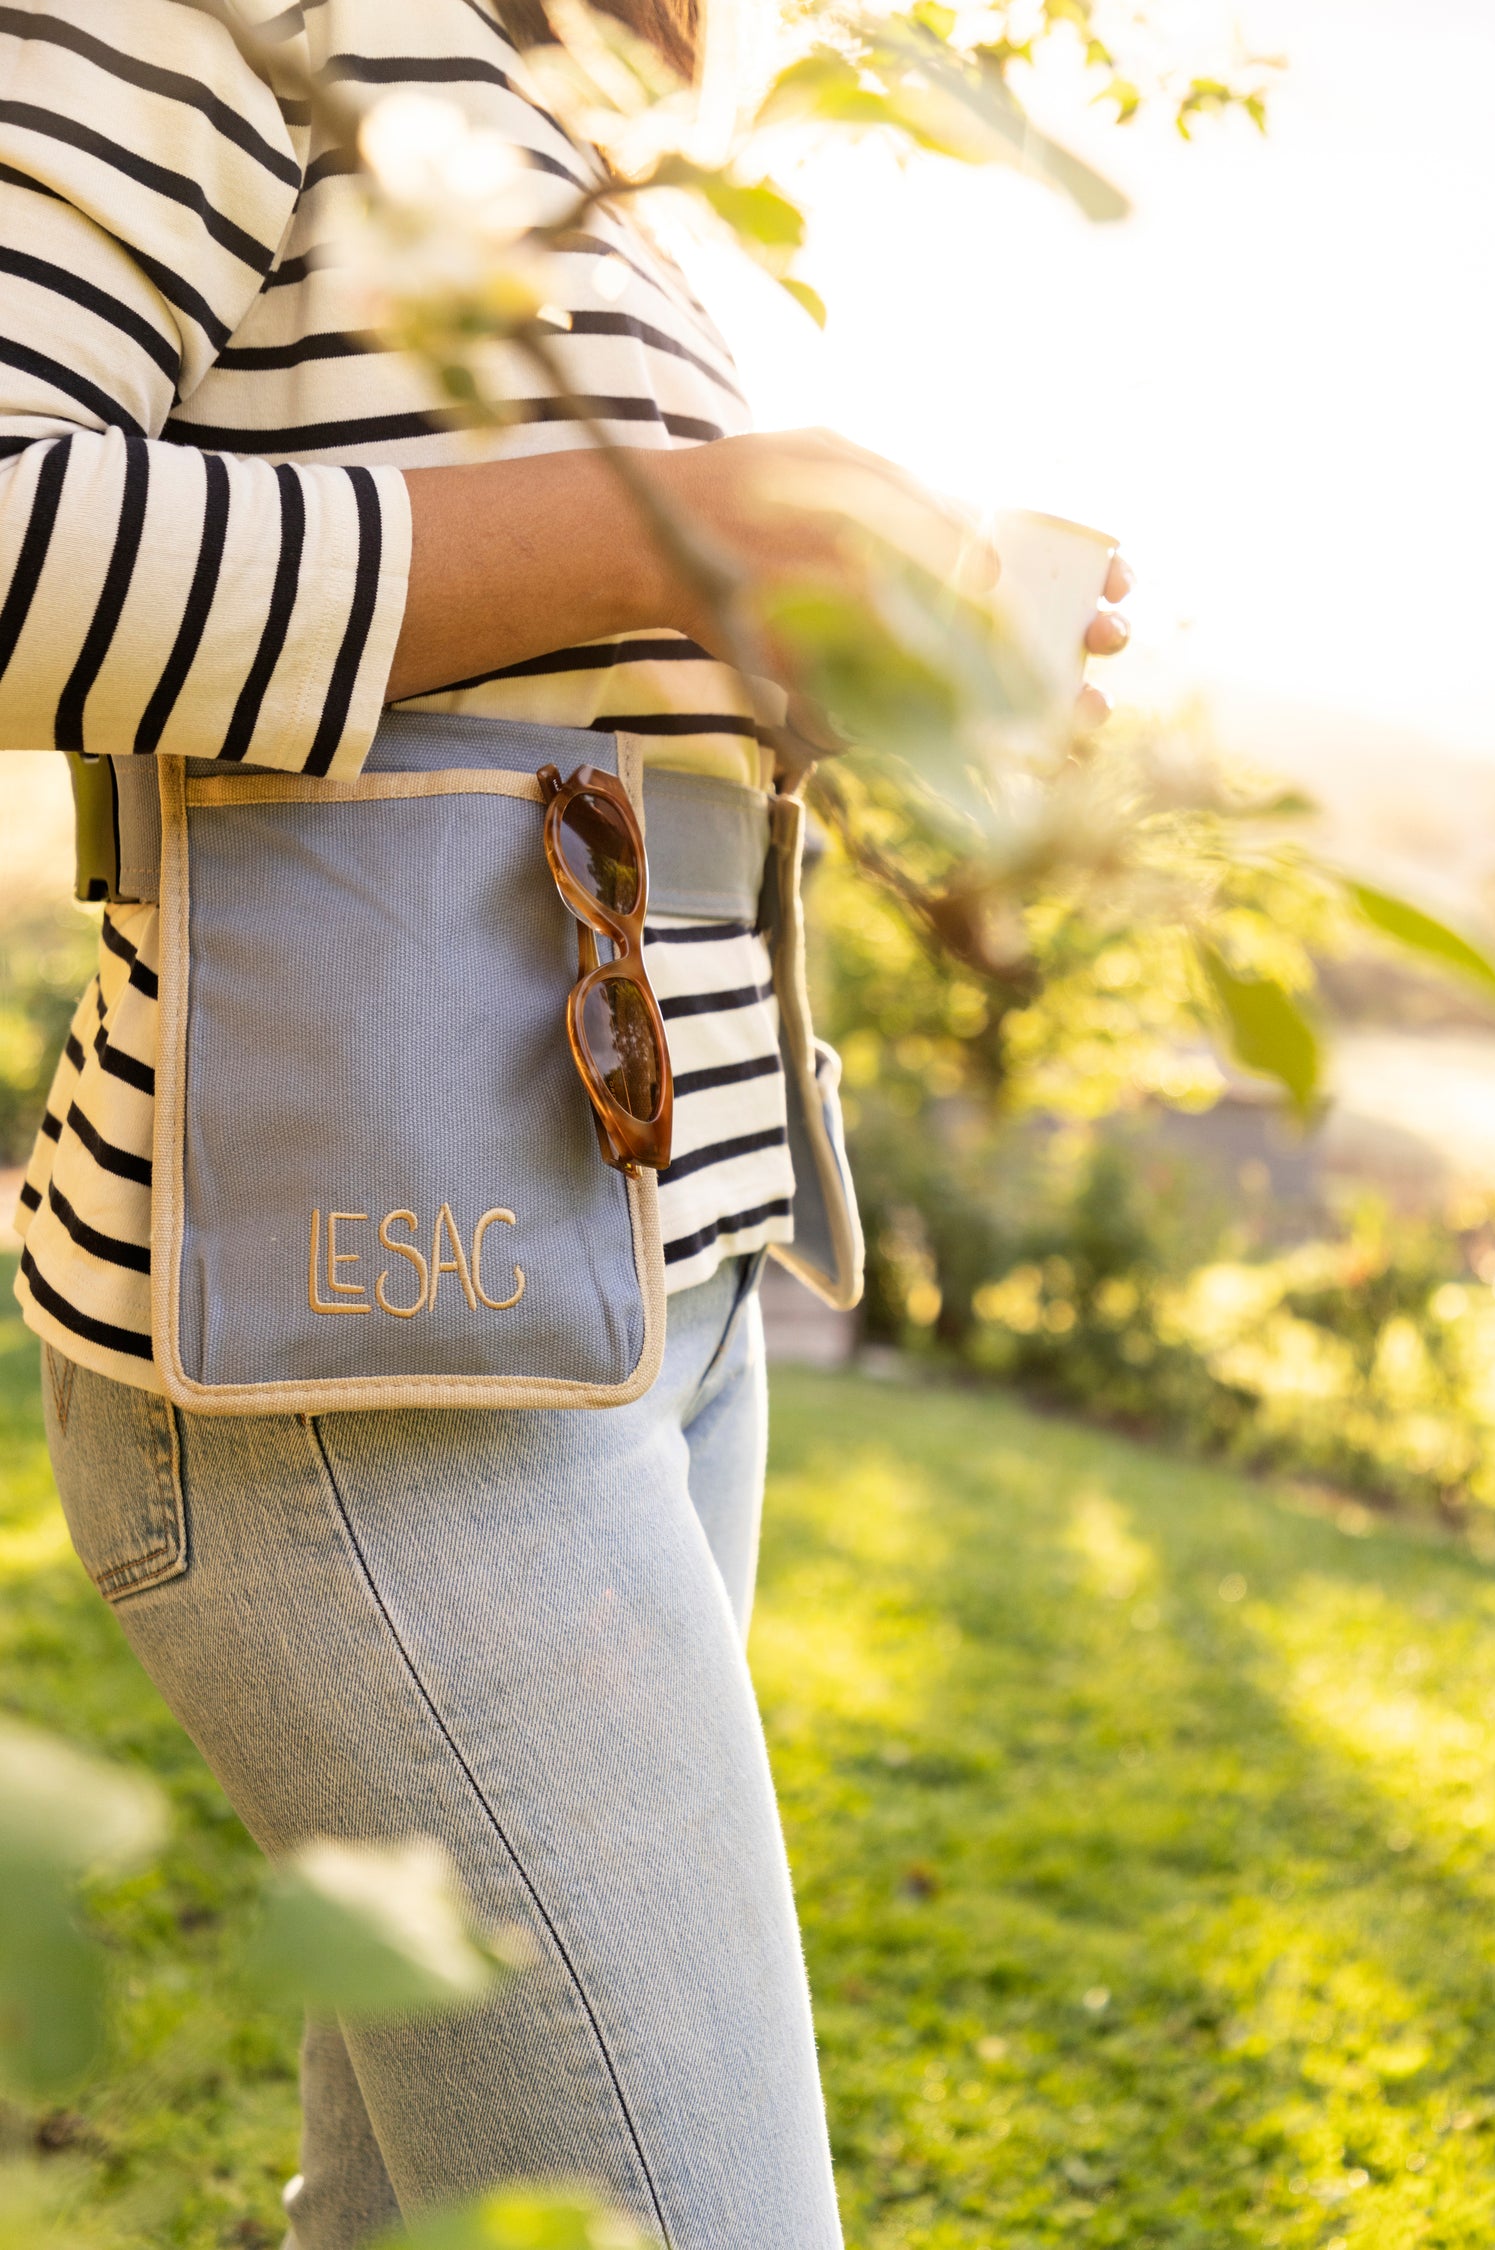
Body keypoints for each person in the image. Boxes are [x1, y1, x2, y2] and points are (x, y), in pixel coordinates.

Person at [2, 2, 1129, 2244]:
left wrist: (837, 652)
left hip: (645, 1289)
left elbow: (541, 669)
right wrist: (682, 517)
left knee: (419, 2216)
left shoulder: (562, 94)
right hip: (368, 1342)